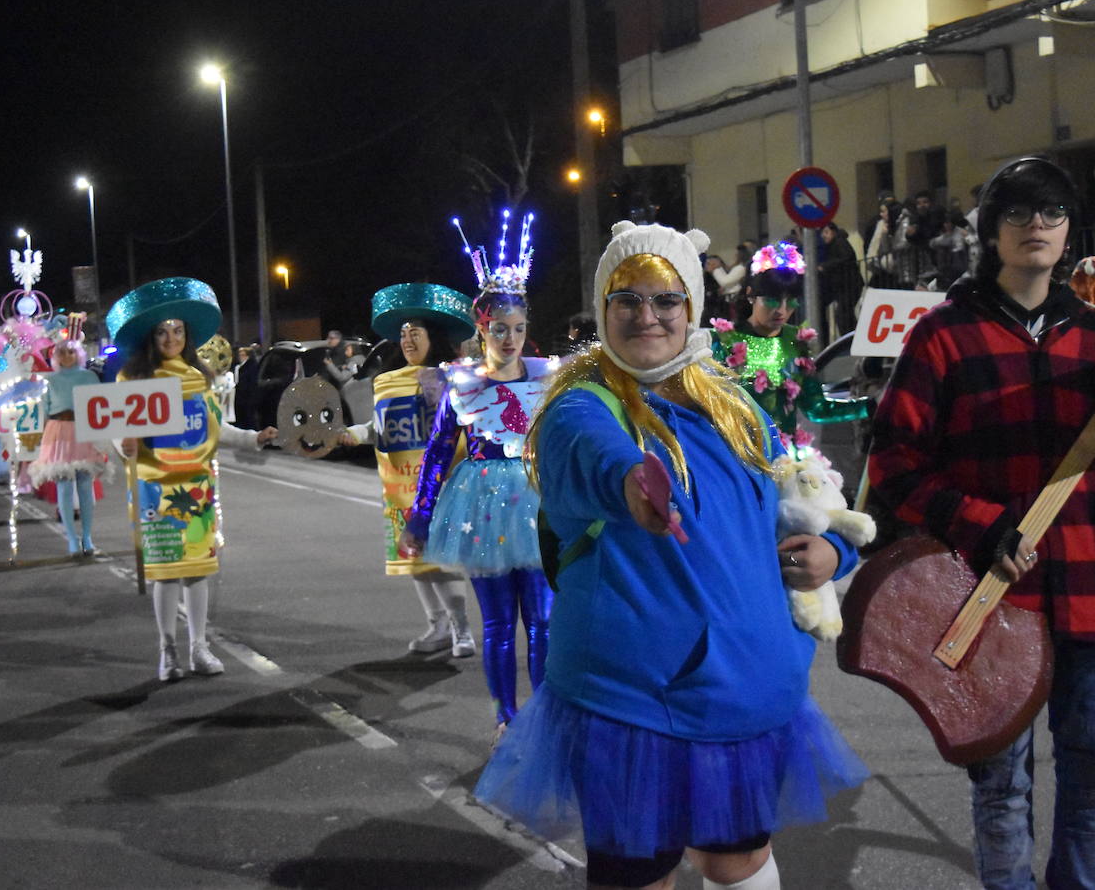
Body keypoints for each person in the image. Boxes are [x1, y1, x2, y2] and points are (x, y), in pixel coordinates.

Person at [475, 220, 868, 890]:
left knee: (737, 861)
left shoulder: (734, 403)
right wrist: (632, 482)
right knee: (641, 876)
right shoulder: (581, 403)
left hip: (746, 690)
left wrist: (833, 552)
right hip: (635, 703)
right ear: (604, 309)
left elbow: (804, 491)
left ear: (691, 308)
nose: (646, 316)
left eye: (666, 300)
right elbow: (592, 453)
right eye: (627, 299)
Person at [869, 157, 1095, 890]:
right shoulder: (942, 336)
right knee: (1002, 790)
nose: (1037, 228)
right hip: (991, 600)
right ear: (992, 230)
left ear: (1068, 230)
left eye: (1052, 214)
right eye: (1019, 214)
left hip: (1094, 596)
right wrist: (983, 526)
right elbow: (894, 465)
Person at [399, 220, 556, 735]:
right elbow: (439, 453)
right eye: (498, 329)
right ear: (481, 330)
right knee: (497, 625)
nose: (509, 339)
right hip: (483, 508)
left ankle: (545, 716)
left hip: (536, 505)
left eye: (517, 329)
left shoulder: (547, 380)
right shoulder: (462, 387)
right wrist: (419, 518)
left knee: (544, 621)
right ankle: (506, 719)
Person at [106, 277, 278, 682]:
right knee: (166, 573)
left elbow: (217, 432)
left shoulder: (199, 381)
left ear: (188, 334)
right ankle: (168, 651)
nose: (171, 337)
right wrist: (124, 444)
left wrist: (255, 438)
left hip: (198, 491)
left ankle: (198, 647)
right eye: (163, 331)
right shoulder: (133, 381)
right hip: (155, 490)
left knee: (198, 571)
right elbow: (119, 434)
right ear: (152, 336)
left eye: (178, 330)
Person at [343, 282, 477, 657]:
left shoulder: (452, 378)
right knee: (415, 560)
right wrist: (347, 436)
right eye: (402, 335)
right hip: (399, 489)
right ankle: (436, 625)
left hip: (440, 486)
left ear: (433, 337)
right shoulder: (386, 383)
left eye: (415, 333)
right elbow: (377, 430)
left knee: (441, 559)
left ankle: (462, 629)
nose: (407, 341)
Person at [710, 241, 869, 439]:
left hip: (785, 461)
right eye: (772, 299)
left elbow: (816, 408)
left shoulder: (795, 342)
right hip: (734, 459)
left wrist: (871, 406)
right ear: (750, 295)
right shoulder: (722, 340)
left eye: (791, 300)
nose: (782, 311)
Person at [27, 338, 112, 557]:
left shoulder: (89, 376)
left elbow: (100, 405)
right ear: (55, 356)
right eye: (61, 353)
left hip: (83, 430)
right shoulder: (50, 380)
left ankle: (87, 536)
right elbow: (44, 410)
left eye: (70, 352)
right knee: (64, 487)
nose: (66, 357)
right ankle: (72, 539)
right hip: (58, 432)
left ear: (78, 354)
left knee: (85, 486)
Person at [816, 221, 862, 337]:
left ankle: (851, 339)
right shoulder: (834, 245)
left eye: (826, 232)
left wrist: (826, 266)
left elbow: (846, 257)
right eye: (823, 233)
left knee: (843, 314)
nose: (824, 235)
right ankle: (853, 338)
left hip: (849, 284)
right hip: (846, 285)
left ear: (833, 232)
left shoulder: (839, 242)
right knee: (845, 314)